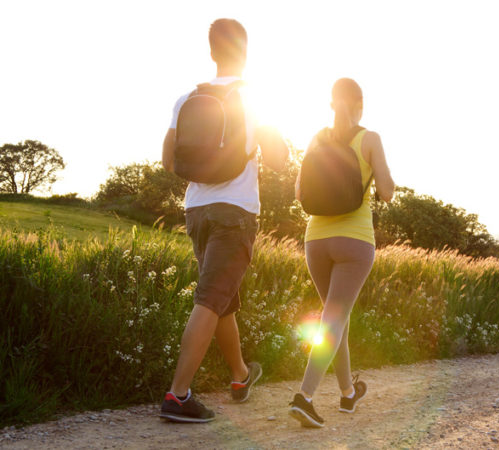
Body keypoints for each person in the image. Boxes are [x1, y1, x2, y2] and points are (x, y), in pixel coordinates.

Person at [159, 18, 288, 423]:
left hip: (196, 209)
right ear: (245, 54)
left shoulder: (186, 99)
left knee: (222, 302)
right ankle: (178, 396)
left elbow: (168, 160)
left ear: (212, 53)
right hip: (236, 211)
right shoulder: (254, 101)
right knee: (211, 299)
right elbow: (280, 162)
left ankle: (240, 375)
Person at [289, 78, 395, 427]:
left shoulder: (317, 138)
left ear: (332, 103)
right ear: (359, 104)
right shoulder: (370, 139)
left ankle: (348, 393)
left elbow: (300, 191)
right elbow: (387, 192)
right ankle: (304, 397)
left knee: (337, 319)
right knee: (333, 320)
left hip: (316, 239)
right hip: (354, 240)